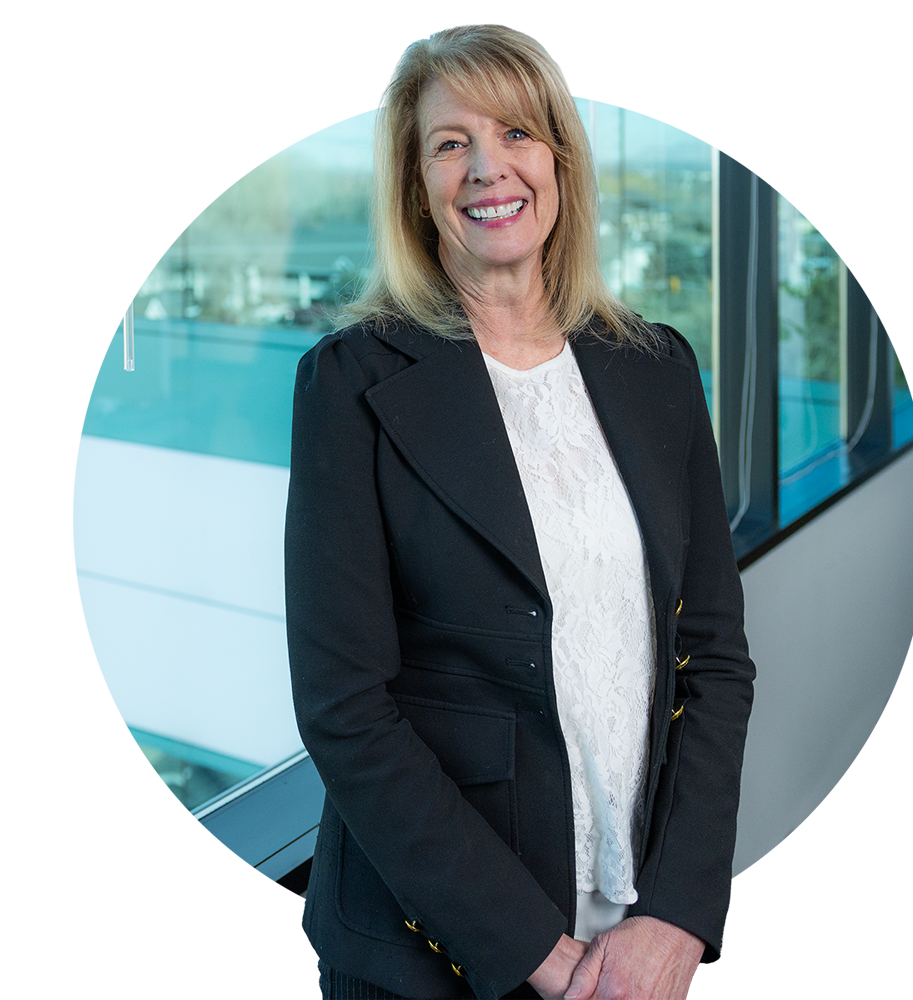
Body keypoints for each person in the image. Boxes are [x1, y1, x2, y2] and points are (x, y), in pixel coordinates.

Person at [285, 23, 755, 1000]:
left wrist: (675, 914)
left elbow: (713, 659)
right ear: (417, 185)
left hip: (635, 935)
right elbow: (345, 707)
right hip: (435, 951)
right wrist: (539, 955)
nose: (487, 167)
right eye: (449, 143)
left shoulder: (656, 368)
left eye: (516, 133)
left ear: (559, 160)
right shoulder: (350, 382)